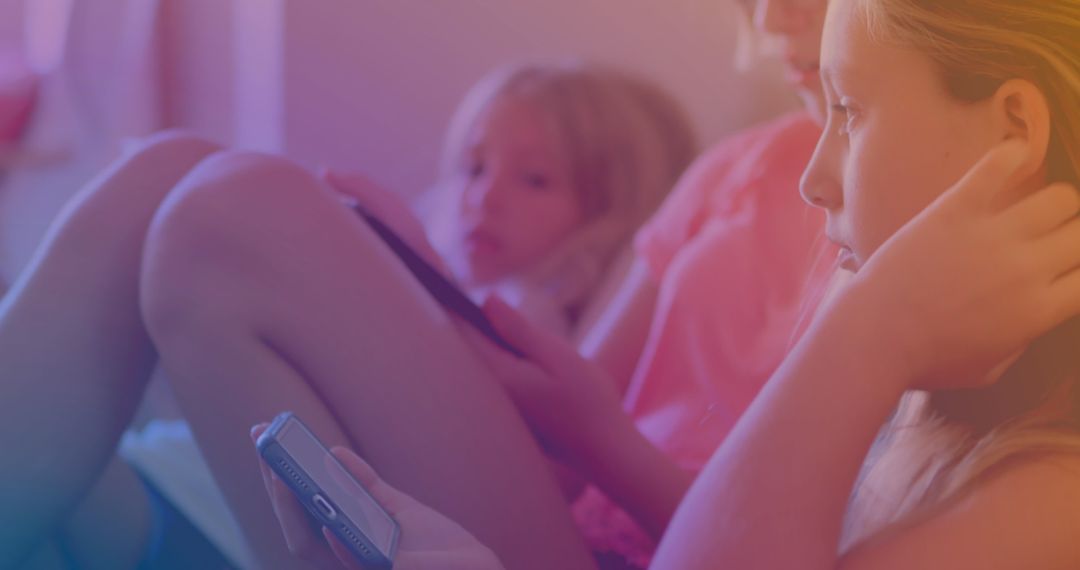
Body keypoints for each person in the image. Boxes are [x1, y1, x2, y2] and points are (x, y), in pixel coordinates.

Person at [257, 0, 1080, 568]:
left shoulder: (1053, 502)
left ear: (1014, 132)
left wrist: (864, 335)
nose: (813, 177)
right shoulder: (934, 400)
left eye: (852, 111)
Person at [0, 60, 695, 569]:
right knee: (170, 172)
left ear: (613, 214)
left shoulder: (557, 332)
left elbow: (565, 478)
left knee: (212, 196)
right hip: (170, 483)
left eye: (535, 179)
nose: (485, 197)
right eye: (476, 168)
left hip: (218, 523)